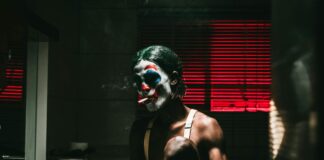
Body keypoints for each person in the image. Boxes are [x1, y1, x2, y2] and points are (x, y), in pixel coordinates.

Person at [129, 45, 227, 160]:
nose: (144, 87)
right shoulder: (140, 130)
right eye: (138, 80)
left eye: (151, 78)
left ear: (173, 79)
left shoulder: (205, 127)